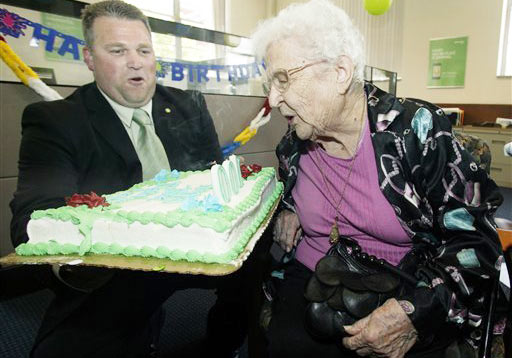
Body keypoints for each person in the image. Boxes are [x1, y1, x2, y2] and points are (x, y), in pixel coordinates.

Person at [251, 0, 504, 357]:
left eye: (283, 80)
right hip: (314, 278)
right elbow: (295, 191)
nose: (273, 98)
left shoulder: (416, 133)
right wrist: (288, 210)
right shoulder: (293, 145)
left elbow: (478, 245)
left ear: (340, 72)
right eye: (269, 82)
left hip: (406, 283)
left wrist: (414, 313)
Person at [9, 1, 252, 357]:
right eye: (118, 51)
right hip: (116, 269)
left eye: (143, 50)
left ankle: (223, 343)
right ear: (89, 57)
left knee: (255, 262)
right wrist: (76, 267)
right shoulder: (56, 120)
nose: (136, 62)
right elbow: (34, 216)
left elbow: (214, 179)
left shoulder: (188, 105)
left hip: (198, 248)